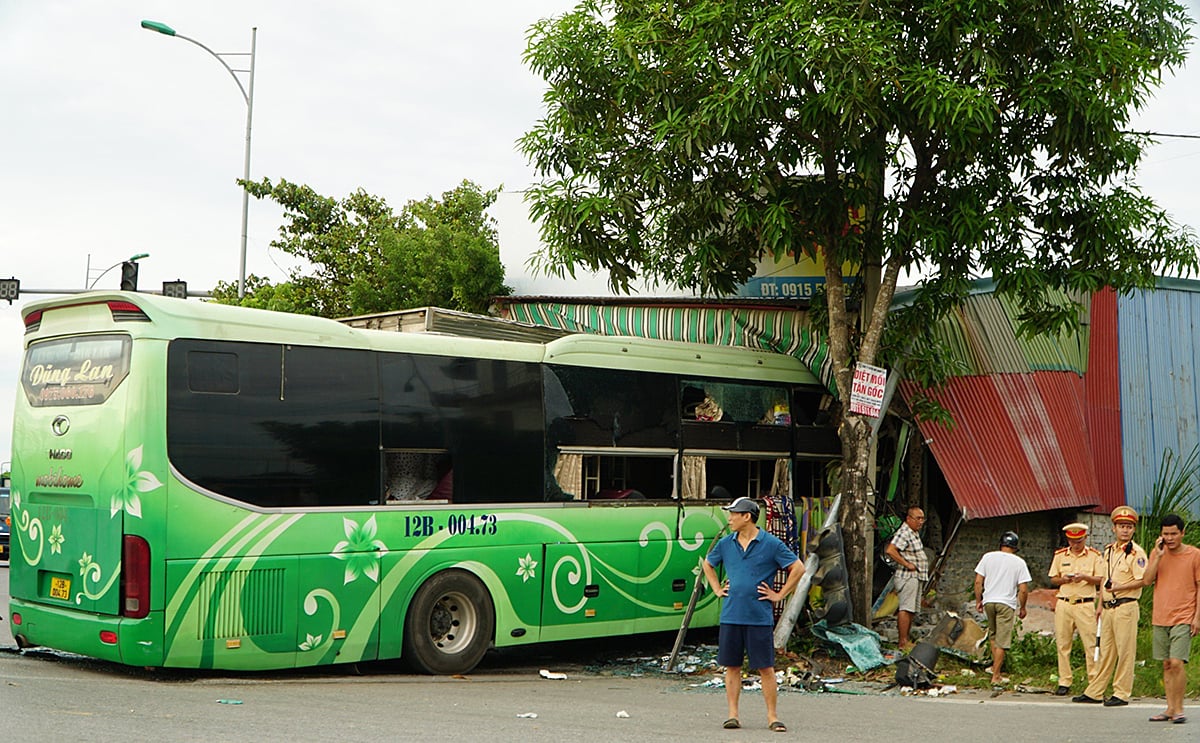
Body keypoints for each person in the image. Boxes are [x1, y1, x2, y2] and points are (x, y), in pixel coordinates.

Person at [702, 496, 804, 733]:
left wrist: (779, 594)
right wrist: (717, 589)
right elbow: (708, 564)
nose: (729, 519)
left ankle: (772, 716)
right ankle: (732, 714)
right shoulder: (726, 543)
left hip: (758, 616)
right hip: (731, 615)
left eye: (733, 514)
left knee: (765, 667)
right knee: (732, 666)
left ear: (746, 516)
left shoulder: (771, 543)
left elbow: (797, 568)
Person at [1077, 505, 1146, 707]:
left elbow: (1143, 580)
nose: (1125, 530)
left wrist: (1122, 586)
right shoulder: (1108, 551)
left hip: (1126, 606)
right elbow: (1103, 579)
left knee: (1125, 650)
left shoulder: (1136, 553)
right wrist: (1100, 603)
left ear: (1133, 530)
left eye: (1129, 527)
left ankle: (1122, 693)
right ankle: (1095, 691)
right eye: (1121, 526)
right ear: (1113, 528)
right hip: (1108, 606)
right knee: (1105, 650)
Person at [1141, 513, 1200, 724]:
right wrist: (1157, 556)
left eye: (1174, 533)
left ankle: (1180, 708)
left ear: (1182, 533)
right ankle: (1170, 707)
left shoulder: (1194, 555)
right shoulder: (1158, 553)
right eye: (1166, 534)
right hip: (1161, 615)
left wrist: (1197, 617)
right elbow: (1147, 580)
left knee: (1177, 662)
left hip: (1184, 616)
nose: (1170, 538)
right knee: (1166, 663)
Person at [1046, 522, 1103, 696]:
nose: (1075, 544)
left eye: (1078, 541)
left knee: (1091, 645)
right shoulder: (1060, 555)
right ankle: (1064, 681)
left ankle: (1094, 681)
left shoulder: (1094, 556)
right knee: (1063, 644)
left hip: (1085, 604)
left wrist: (1085, 577)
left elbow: (1101, 579)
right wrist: (1064, 579)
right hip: (1064, 603)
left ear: (1085, 538)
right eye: (1072, 541)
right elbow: (1052, 579)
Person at [974, 531, 1032, 687]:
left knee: (993, 635)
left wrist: (979, 600)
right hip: (1006, 603)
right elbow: (1024, 589)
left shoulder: (988, 557)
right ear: (1015, 547)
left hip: (989, 601)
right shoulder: (1019, 562)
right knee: (1002, 640)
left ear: (1001, 545)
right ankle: (996, 676)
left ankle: (995, 669)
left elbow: (978, 582)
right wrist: (1023, 607)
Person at [884, 505, 928, 651]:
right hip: (907, 576)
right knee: (905, 608)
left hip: (915, 576)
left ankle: (906, 640)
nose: (921, 522)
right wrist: (907, 564)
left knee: (911, 609)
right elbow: (891, 550)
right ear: (909, 519)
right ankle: (902, 642)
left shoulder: (913, 532)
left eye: (922, 518)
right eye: (918, 518)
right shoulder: (904, 532)